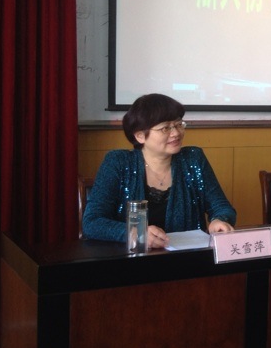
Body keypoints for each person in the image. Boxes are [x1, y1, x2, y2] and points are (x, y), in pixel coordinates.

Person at [82, 93, 236, 247]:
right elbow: (92, 222)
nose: (176, 133)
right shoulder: (118, 162)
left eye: (178, 124)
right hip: (131, 257)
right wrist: (136, 233)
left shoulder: (193, 158)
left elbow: (221, 207)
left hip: (186, 258)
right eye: (165, 128)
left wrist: (219, 220)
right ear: (140, 136)